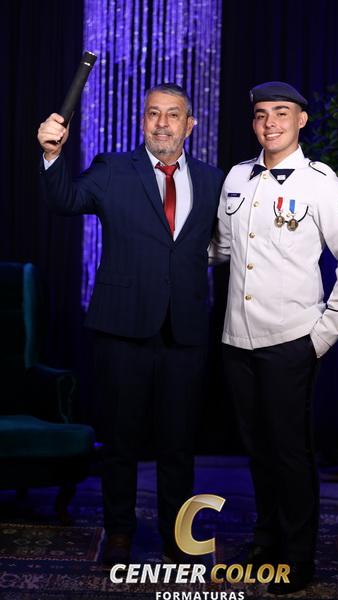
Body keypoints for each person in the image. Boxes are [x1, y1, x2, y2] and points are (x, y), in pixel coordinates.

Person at [37, 83, 224, 565]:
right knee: (121, 442)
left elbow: (223, 244)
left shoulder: (213, 180)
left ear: (189, 125)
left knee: (179, 446)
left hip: (185, 331)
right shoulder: (113, 169)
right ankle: (118, 534)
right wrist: (52, 154)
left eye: (173, 114)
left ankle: (177, 538)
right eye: (153, 114)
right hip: (122, 328)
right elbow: (64, 200)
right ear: (143, 121)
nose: (162, 123)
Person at [210, 81, 338, 594]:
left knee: (289, 452)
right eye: (261, 114)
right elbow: (221, 249)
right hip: (237, 339)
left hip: (291, 340)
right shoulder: (238, 176)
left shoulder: (321, 182)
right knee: (257, 450)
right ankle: (266, 541)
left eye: (281, 113)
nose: (270, 123)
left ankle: (297, 556)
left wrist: (322, 334)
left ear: (301, 120)